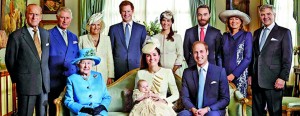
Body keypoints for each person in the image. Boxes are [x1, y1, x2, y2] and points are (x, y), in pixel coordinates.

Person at [5, 4, 50, 115]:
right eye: (31, 14)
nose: (34, 17)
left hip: (44, 85)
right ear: (26, 15)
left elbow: (45, 59)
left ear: (41, 17)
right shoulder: (16, 36)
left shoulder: (45, 34)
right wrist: (19, 79)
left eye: (37, 14)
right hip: (26, 86)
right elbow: (10, 61)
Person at [249, 4, 292, 116]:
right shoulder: (256, 33)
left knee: (274, 113)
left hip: (274, 81)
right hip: (256, 80)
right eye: (262, 14)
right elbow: (254, 55)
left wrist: (283, 77)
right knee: (257, 113)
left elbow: (287, 57)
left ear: (274, 15)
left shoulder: (284, 32)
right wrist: (250, 75)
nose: (265, 17)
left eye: (268, 14)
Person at [179, 41, 229, 116]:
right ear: (193, 54)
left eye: (201, 51)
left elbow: (225, 99)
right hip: (194, 110)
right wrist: (193, 109)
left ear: (207, 52)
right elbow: (185, 97)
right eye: (196, 52)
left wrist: (207, 109)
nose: (199, 55)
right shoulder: (187, 73)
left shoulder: (220, 71)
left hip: (212, 110)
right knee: (182, 115)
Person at [48, 7, 79, 116]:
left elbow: (77, 59)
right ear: (57, 18)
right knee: (55, 109)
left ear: (71, 19)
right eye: (62, 17)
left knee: (70, 109)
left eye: (67, 18)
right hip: (54, 80)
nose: (65, 21)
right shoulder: (48, 34)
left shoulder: (74, 36)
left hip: (71, 79)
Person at [64, 48, 111, 116]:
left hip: (99, 113)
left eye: (89, 63)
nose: (86, 66)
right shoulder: (72, 79)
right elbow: (68, 101)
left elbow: (107, 97)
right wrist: (83, 109)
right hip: (81, 113)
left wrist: (102, 107)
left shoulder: (98, 76)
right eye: (83, 63)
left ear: (92, 64)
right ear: (78, 64)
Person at [108, 1, 147, 80]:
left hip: (136, 67)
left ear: (132, 11)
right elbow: (109, 51)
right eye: (124, 11)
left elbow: (144, 50)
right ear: (120, 12)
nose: (126, 14)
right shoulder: (113, 29)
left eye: (128, 11)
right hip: (118, 68)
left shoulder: (141, 28)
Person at [134, 41, 179, 108]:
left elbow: (176, 94)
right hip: (145, 106)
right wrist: (143, 97)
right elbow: (135, 94)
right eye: (148, 55)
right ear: (145, 58)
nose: (152, 58)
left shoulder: (167, 72)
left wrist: (164, 100)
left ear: (159, 56)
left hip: (162, 106)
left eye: (154, 54)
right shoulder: (140, 73)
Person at [218, 10, 252, 97]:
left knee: (239, 102)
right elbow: (219, 56)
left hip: (239, 76)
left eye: (237, 19)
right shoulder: (224, 36)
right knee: (223, 100)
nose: (234, 21)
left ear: (241, 22)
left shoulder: (247, 35)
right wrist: (221, 74)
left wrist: (233, 75)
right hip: (224, 76)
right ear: (228, 22)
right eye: (231, 19)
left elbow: (248, 58)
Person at [79, 12, 114, 85]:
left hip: (103, 75)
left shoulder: (107, 39)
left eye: (98, 25)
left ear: (101, 26)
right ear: (89, 26)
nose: (96, 27)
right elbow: (79, 59)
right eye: (93, 25)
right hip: (87, 74)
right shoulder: (82, 39)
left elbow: (109, 58)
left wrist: (110, 76)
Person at [153, 10, 186, 77]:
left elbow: (180, 55)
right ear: (160, 21)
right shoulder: (155, 37)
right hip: (159, 72)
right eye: (164, 20)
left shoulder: (177, 37)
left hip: (175, 71)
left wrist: (173, 71)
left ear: (171, 22)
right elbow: (153, 56)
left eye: (168, 21)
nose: (165, 23)